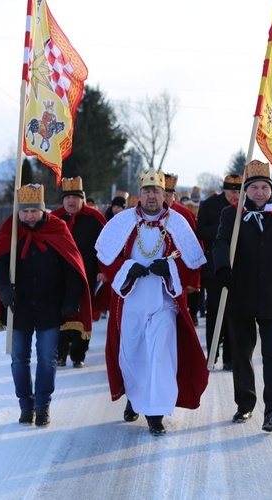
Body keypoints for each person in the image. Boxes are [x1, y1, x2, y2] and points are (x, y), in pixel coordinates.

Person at [0, 183, 91, 427]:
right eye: (24, 211)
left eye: (33, 211)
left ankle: (42, 406)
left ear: (43, 211)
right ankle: (25, 405)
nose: (29, 216)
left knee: (47, 358)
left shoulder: (57, 228)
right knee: (19, 359)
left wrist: (71, 300)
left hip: (50, 306)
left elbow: (73, 266)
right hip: (19, 307)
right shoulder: (11, 229)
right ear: (18, 211)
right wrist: (3, 287)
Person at [95, 167, 209, 436]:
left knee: (160, 356)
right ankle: (135, 399)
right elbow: (105, 257)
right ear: (139, 195)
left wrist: (170, 270)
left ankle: (155, 414)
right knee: (134, 354)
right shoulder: (122, 221)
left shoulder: (178, 222)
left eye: (156, 191)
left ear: (164, 195)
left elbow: (192, 261)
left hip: (163, 303)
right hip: (131, 301)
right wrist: (126, 269)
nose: (151, 197)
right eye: (146, 191)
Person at [213, 160, 272, 433]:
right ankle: (245, 404)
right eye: (253, 187)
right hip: (240, 296)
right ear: (246, 191)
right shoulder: (231, 215)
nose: (258, 192)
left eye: (263, 187)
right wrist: (222, 268)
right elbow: (220, 243)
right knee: (242, 353)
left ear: (270, 190)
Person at [51, 177, 108, 367]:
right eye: (67, 197)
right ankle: (59, 354)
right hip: (59, 276)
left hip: (87, 274)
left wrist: (102, 270)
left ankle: (78, 355)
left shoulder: (95, 218)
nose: (71, 201)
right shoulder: (54, 218)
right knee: (58, 315)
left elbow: (105, 246)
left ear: (82, 199)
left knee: (82, 313)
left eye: (75, 197)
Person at [196, 173, 242, 370]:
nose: (236, 195)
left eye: (239, 191)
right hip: (214, 267)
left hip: (239, 267)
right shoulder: (209, 205)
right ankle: (212, 353)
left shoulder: (247, 205)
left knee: (234, 313)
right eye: (232, 191)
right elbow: (201, 231)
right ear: (225, 190)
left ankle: (230, 357)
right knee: (214, 311)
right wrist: (225, 229)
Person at [163, 173, 202, 326]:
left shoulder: (184, 214)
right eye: (162, 194)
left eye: (168, 195)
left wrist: (193, 278)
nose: (164, 198)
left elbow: (194, 246)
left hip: (177, 271)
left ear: (174, 196)